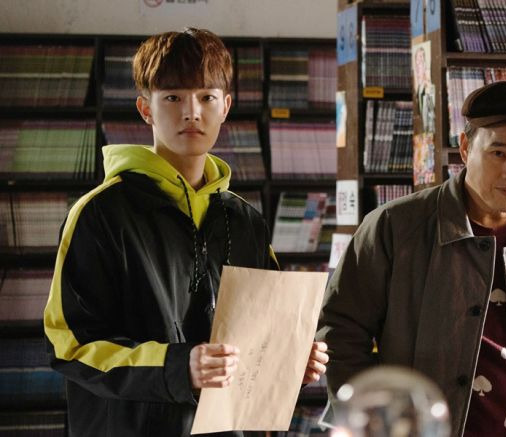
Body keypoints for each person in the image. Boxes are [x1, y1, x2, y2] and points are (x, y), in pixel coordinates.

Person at [43, 28, 328, 437]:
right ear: (146, 108)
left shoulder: (245, 220)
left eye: (207, 97)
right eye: (173, 97)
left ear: (225, 106)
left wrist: (290, 362)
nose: (192, 112)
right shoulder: (100, 214)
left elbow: (260, 339)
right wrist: (178, 367)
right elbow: (69, 345)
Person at [318, 81, 506, 436]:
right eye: (499, 153)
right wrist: (371, 423)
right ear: (466, 147)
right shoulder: (394, 227)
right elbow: (341, 333)